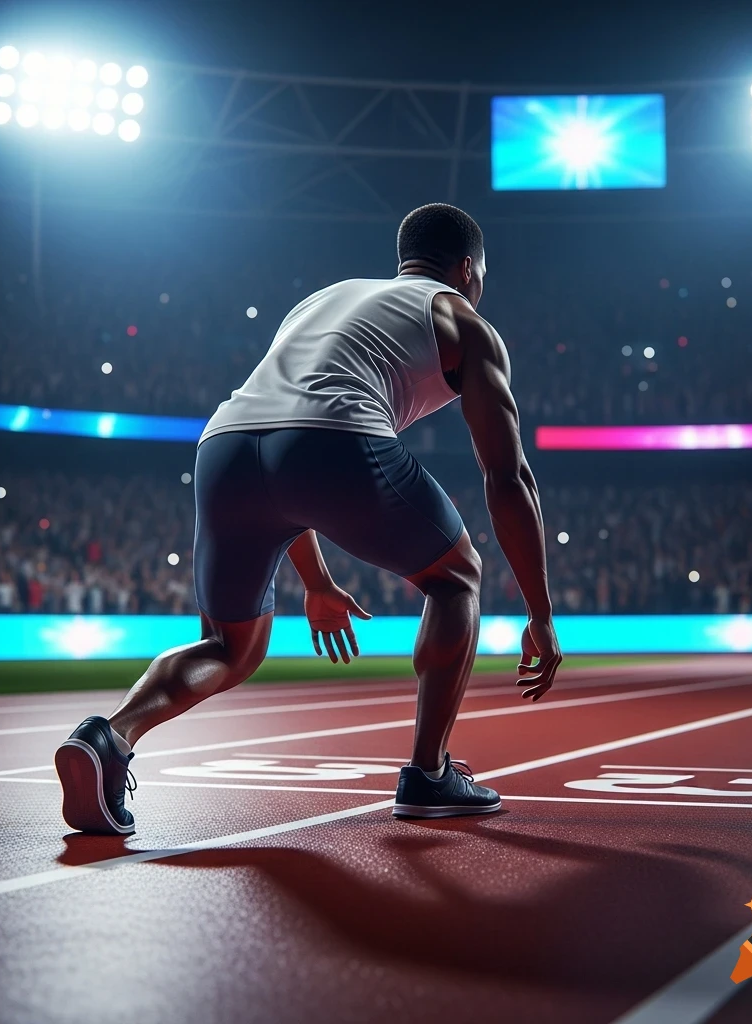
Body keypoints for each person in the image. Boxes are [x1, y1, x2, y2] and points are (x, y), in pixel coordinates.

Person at [55, 203, 562, 835]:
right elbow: (507, 478)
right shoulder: (464, 321)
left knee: (229, 647)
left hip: (225, 446)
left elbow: (283, 449)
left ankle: (109, 738)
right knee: (456, 577)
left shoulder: (326, 299)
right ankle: (429, 775)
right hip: (335, 439)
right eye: (481, 275)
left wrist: (318, 584)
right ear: (467, 269)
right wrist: (540, 615)